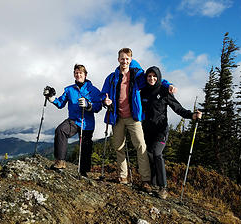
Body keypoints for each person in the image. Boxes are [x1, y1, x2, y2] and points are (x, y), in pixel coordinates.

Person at [101, 48, 176, 192]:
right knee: (119, 147)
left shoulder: (137, 75)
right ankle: (123, 176)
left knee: (141, 146)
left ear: (131, 60)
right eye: (122, 59)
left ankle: (146, 180)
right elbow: (103, 93)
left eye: (127, 59)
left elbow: (153, 78)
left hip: (133, 117)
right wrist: (105, 100)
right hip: (117, 117)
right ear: (118, 60)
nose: (124, 61)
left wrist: (168, 84)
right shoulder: (111, 77)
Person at [141, 66, 202, 199]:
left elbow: (178, 108)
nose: (151, 78)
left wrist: (192, 115)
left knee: (157, 153)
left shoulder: (164, 91)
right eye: (149, 76)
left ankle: (163, 187)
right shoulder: (143, 92)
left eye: (154, 76)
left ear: (158, 77)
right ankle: (154, 184)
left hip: (161, 130)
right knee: (150, 154)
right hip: (147, 130)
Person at [45, 64, 102, 177]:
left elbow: (98, 106)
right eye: (76, 73)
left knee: (86, 146)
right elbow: (61, 103)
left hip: (87, 123)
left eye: (81, 73)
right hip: (74, 120)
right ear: (74, 75)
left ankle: (84, 171)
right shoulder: (69, 89)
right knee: (61, 130)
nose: (78, 75)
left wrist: (89, 105)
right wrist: (51, 98)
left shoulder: (93, 90)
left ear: (85, 75)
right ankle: (60, 161)